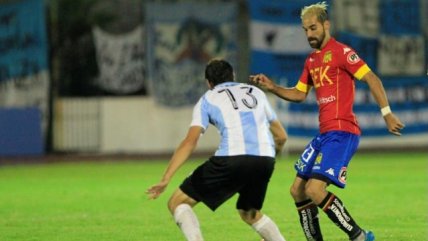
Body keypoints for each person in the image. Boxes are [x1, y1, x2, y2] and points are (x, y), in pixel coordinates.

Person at [250, 2, 405, 241]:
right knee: (297, 191)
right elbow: (299, 94)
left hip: (343, 132)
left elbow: (372, 78)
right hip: (325, 135)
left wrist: (387, 113)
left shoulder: (343, 52)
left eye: (313, 28)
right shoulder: (312, 61)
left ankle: (360, 236)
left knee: (314, 189)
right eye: (305, 30)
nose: (309, 34)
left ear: (326, 25)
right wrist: (272, 87)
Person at [146, 59, 288, 241]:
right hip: (265, 159)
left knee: (177, 202)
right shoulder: (257, 93)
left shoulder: (208, 98)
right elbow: (281, 137)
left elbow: (190, 141)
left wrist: (166, 178)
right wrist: (264, 161)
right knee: (250, 213)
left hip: (231, 158)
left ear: (209, 82)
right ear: (233, 76)